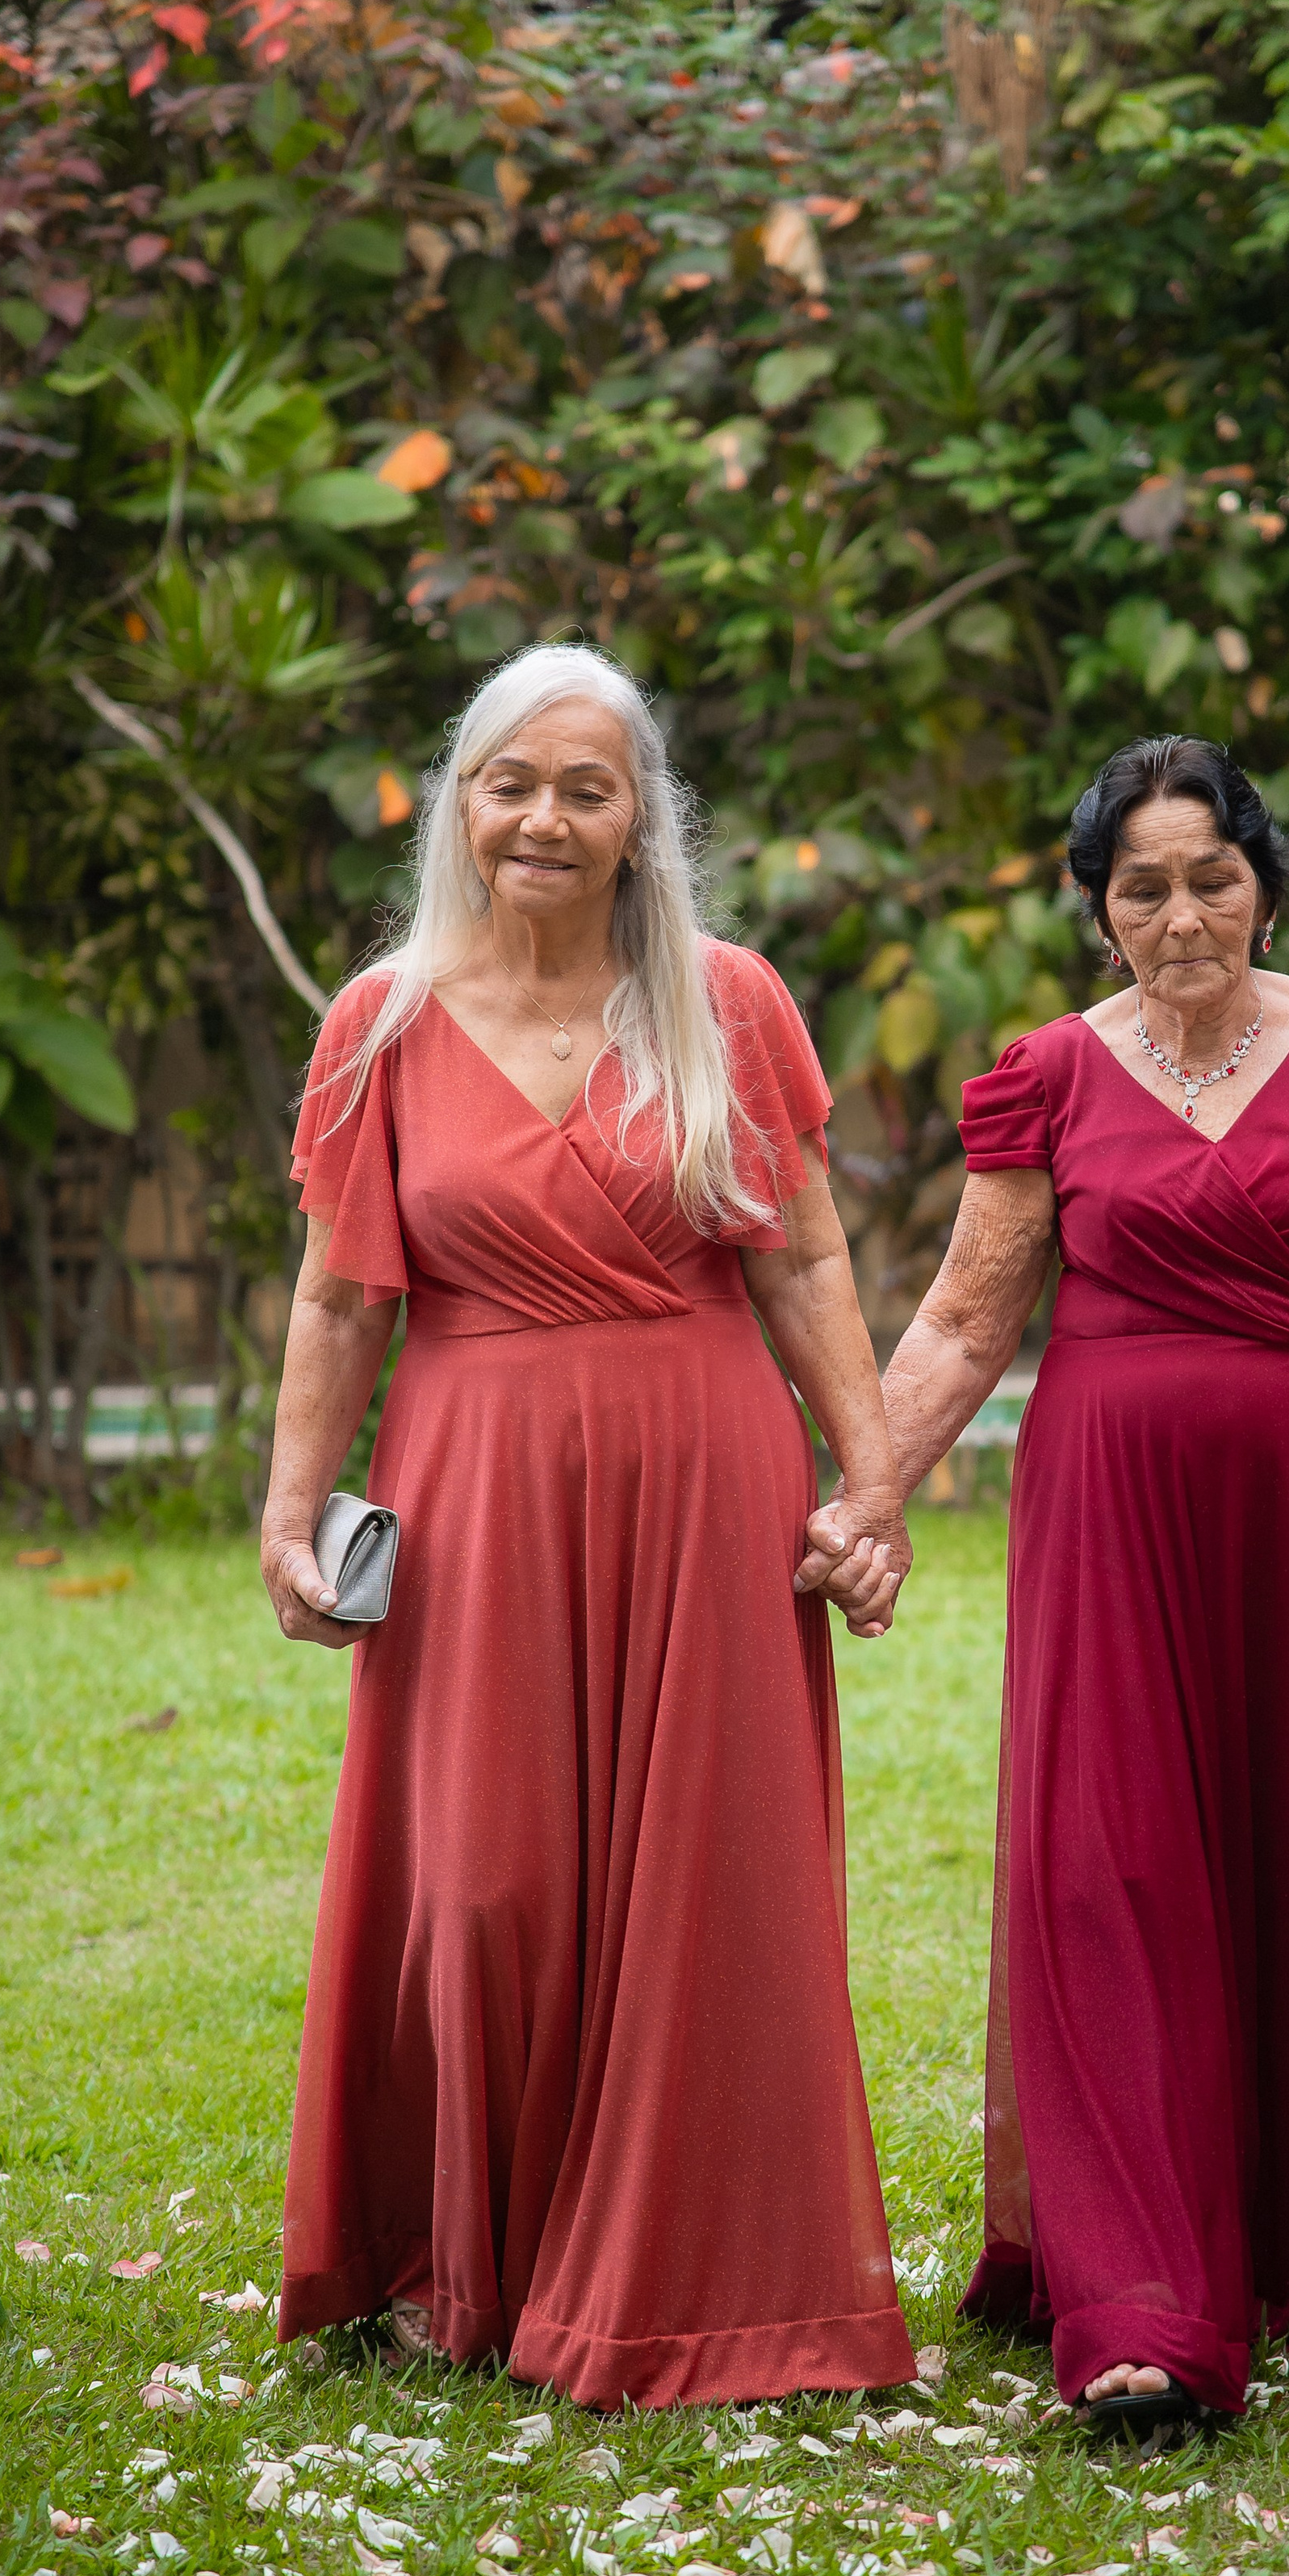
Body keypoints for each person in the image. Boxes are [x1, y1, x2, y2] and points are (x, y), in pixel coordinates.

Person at [805, 736, 1289, 2436]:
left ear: (1261, 882)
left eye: (1208, 875)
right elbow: (960, 1318)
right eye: (1137, 886)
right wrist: (867, 1498)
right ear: (1095, 910)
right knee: (1109, 1872)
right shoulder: (1048, 1079)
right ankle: (1142, 2309)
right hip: (1112, 1529)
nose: (1179, 912)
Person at [258, 641, 915, 2407]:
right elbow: (336, 1305)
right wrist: (289, 1510)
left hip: (705, 1473)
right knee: (480, 1885)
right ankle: (464, 2257)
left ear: (640, 823)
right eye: (510, 783)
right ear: (461, 805)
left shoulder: (728, 999)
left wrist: (868, 1479)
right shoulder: (380, 1021)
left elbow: (804, 1261)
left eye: (585, 788)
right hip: (472, 1481)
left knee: (709, 1877)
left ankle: (698, 2284)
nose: (543, 817)